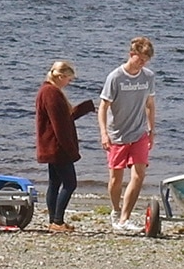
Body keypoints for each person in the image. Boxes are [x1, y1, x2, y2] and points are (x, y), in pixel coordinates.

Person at [97, 35, 159, 231]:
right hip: (117, 135)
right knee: (116, 178)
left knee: (139, 174)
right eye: (140, 59)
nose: (142, 63)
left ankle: (125, 218)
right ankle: (115, 210)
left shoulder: (148, 76)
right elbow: (103, 107)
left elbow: (150, 104)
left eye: (146, 60)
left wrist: (151, 130)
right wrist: (104, 133)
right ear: (131, 54)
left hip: (139, 132)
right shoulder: (115, 77)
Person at [32, 61, 95, 231]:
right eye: (68, 79)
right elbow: (60, 125)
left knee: (55, 183)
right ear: (60, 76)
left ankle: (54, 221)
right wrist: (71, 150)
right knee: (69, 184)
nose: (69, 82)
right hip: (57, 146)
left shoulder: (48, 91)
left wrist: (87, 107)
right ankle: (57, 221)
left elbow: (65, 118)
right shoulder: (51, 93)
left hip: (51, 145)